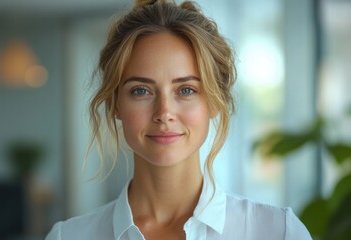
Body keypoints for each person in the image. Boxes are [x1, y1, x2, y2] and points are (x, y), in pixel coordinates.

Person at [46, 0, 312, 239]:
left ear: (214, 101)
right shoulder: (68, 236)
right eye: (141, 90)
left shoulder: (278, 231)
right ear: (115, 103)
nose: (164, 113)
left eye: (186, 90)